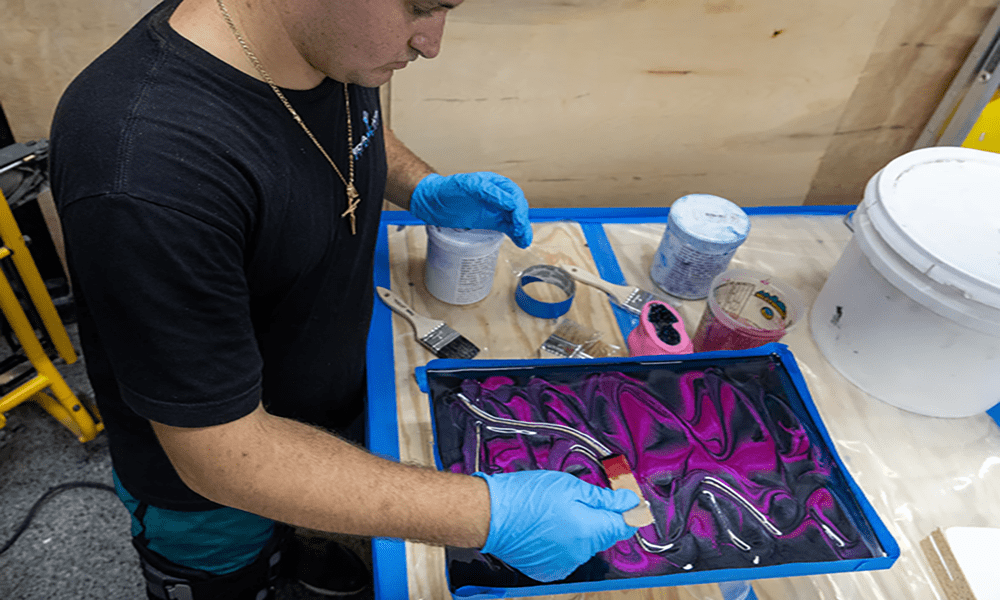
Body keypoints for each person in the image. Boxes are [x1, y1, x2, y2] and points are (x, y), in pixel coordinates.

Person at [50, 0, 641, 598]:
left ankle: (298, 551)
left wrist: (422, 187)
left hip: (314, 407)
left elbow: (343, 127)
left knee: (305, 529)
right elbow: (221, 455)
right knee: (235, 579)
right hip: (214, 487)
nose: (432, 43)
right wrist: (486, 516)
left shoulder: (316, 45)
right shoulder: (145, 174)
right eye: (419, 8)